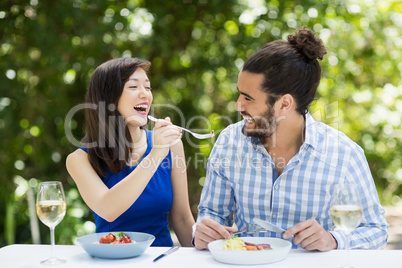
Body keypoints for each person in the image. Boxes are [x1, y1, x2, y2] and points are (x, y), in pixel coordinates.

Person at [193, 27, 388, 251]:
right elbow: (213, 213)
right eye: (239, 94)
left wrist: (333, 240)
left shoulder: (343, 153)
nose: (238, 106)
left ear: (284, 104)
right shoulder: (230, 142)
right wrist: (205, 230)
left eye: (248, 98)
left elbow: (375, 229)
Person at [66, 57, 194, 247]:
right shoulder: (79, 159)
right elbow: (108, 208)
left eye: (148, 88)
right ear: (108, 97)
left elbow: (182, 219)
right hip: (112, 260)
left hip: (161, 260)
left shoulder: (172, 145)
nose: (145, 95)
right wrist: (155, 154)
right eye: (133, 87)